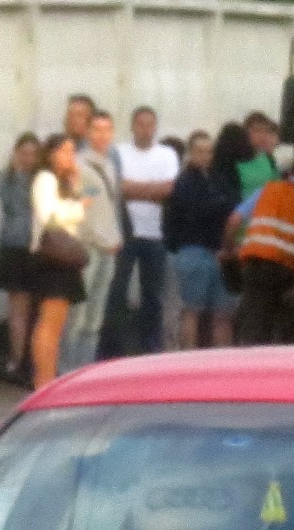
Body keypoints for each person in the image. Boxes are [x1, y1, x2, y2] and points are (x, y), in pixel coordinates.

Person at [224, 140, 294, 347]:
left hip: (256, 265)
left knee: (254, 329)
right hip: (289, 272)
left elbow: (233, 221)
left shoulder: (267, 190)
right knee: (289, 336)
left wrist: (228, 251)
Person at [101, 106, 180, 358]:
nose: (145, 130)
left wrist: (133, 189)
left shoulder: (167, 154)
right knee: (117, 291)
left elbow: (169, 189)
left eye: (150, 124)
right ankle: (114, 348)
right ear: (132, 126)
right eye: (140, 124)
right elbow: (117, 188)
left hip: (155, 234)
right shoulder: (119, 153)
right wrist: (151, 190)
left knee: (152, 295)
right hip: (123, 233)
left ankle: (150, 347)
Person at [59, 110, 123, 373]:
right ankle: (66, 371)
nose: (102, 135)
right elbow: (79, 207)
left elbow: (110, 207)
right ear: (86, 132)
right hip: (86, 247)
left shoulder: (111, 165)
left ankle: (85, 371)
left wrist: (115, 237)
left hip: (108, 248)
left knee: (95, 319)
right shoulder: (78, 164)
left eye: (107, 130)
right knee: (77, 315)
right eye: (96, 129)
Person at [165, 130, 240, 349]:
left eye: (209, 151)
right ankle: (187, 358)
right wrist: (219, 206)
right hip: (193, 250)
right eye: (199, 151)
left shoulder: (219, 179)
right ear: (190, 153)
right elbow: (194, 212)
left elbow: (233, 204)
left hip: (220, 252)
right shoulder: (184, 181)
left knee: (223, 313)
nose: (205, 156)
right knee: (191, 311)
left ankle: (223, 360)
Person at [27, 133, 88, 389]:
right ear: (51, 154)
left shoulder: (63, 181)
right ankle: (43, 379)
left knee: (57, 323)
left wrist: (76, 183)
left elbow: (84, 198)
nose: (70, 156)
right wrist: (79, 208)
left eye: (72, 151)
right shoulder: (45, 178)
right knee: (49, 322)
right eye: (64, 151)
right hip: (52, 256)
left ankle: (49, 377)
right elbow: (48, 215)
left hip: (65, 256)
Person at [0, 131, 41, 383]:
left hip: (38, 247)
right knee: (18, 306)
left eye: (33, 154)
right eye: (24, 153)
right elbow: (12, 205)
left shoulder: (44, 179)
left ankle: (33, 359)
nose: (28, 158)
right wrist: (19, 173)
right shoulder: (7, 178)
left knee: (38, 306)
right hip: (14, 246)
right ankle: (16, 359)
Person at [238, 112, 282, 199]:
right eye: (257, 130)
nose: (262, 135)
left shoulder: (269, 159)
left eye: (265, 131)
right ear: (245, 132)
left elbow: (277, 188)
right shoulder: (236, 160)